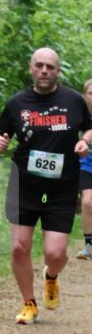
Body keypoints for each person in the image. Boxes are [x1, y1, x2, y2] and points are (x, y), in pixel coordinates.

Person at [0, 47, 92, 324]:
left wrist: (86, 141)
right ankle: (29, 303)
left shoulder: (73, 100)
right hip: (24, 183)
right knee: (18, 247)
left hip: (62, 186)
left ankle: (51, 276)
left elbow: (89, 127)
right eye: (39, 66)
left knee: (55, 253)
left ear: (58, 71)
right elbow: (1, 134)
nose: (44, 71)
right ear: (31, 69)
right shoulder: (16, 103)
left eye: (50, 66)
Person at [77, 77, 92, 260]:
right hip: (85, 164)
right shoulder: (78, 114)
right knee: (87, 203)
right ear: (85, 95)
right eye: (90, 93)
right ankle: (89, 246)